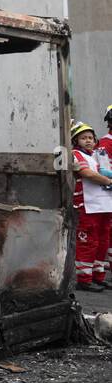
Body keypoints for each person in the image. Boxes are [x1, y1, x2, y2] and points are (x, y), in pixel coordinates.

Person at [73, 120, 112, 290]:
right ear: (76, 141)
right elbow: (86, 173)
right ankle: (84, 280)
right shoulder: (76, 154)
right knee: (87, 242)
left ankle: (98, 275)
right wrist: (108, 180)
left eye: (90, 137)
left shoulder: (96, 155)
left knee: (102, 241)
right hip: (87, 206)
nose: (88, 140)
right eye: (83, 138)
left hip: (103, 205)